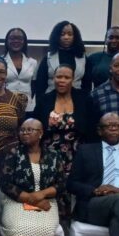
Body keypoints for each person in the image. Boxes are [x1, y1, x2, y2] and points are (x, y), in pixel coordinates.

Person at [0, 119, 66, 236]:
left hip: (46, 202)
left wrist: (42, 195)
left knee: (45, 230)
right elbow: (6, 184)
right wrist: (31, 198)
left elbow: (61, 183)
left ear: (41, 133)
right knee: (20, 228)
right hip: (17, 201)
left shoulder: (53, 155)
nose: (25, 133)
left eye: (30, 130)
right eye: (23, 130)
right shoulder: (13, 153)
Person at [32, 64, 98, 218]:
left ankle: (75, 221)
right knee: (52, 188)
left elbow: (92, 128)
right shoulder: (44, 99)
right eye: (58, 77)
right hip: (50, 155)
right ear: (53, 79)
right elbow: (36, 126)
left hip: (78, 154)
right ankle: (54, 221)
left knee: (76, 188)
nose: (62, 80)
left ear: (73, 79)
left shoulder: (84, 98)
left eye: (66, 77)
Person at [35, 21, 92, 100]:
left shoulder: (83, 58)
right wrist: (40, 103)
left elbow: (87, 85)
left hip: (78, 100)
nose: (66, 37)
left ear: (75, 37)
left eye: (70, 34)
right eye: (62, 34)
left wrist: (85, 102)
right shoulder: (48, 57)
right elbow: (40, 85)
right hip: (50, 100)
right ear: (56, 36)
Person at [3, 27, 38, 113]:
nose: (16, 41)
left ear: (24, 41)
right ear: (7, 41)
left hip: (28, 107)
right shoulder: (1, 62)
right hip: (5, 106)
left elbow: (34, 86)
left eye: (19, 38)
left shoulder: (32, 62)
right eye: (12, 38)